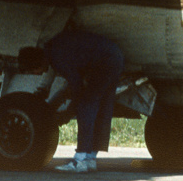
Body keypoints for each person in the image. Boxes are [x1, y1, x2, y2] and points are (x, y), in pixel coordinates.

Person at [42, 27, 125, 173]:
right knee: (103, 107)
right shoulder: (54, 47)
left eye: (34, 71)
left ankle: (80, 160)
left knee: (85, 105)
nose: (40, 73)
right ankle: (90, 158)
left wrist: (68, 112)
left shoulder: (56, 55)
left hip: (104, 62)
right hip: (115, 57)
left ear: (36, 62)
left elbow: (76, 86)